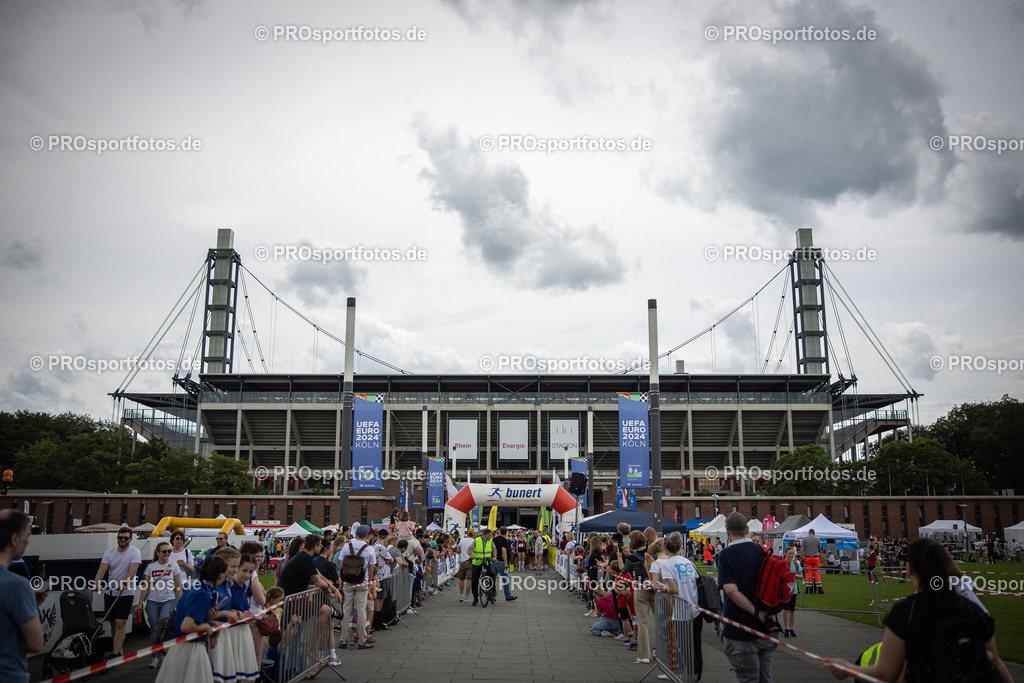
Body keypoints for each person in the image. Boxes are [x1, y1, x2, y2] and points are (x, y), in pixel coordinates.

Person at [824, 538, 1012, 683]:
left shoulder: (906, 612)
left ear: (910, 569)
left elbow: (886, 672)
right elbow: (995, 661)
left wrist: (847, 668)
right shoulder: (971, 609)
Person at [718, 513, 776, 683]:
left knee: (748, 679)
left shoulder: (726, 555)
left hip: (740, 627)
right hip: (767, 625)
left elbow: (731, 591)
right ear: (748, 530)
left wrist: (756, 612)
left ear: (727, 532)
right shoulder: (763, 551)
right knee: (766, 677)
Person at [156, 554, 227, 683]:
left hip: (178, 648)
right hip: (192, 650)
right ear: (221, 576)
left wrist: (206, 618)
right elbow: (186, 626)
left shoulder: (193, 588)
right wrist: (206, 627)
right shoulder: (203, 595)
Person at [652, 532, 702, 681]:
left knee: (686, 649)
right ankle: (696, 678)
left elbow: (674, 589)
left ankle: (690, 678)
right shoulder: (688, 562)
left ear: (665, 548)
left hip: (682, 611)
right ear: (680, 547)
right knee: (696, 647)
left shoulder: (667, 564)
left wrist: (663, 589)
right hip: (696, 608)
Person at [0, 510, 43, 683]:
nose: (27, 542)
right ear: (15, 539)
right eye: (28, 535)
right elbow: (35, 643)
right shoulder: (16, 585)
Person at [94, 525, 141, 657]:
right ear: (117, 538)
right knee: (113, 623)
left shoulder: (135, 552)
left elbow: (133, 570)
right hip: (111, 591)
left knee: (121, 623)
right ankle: (118, 649)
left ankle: (115, 653)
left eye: (126, 538)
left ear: (130, 539)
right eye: (121, 537)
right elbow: (102, 569)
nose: (123, 540)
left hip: (125, 592)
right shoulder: (110, 552)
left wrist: (125, 582)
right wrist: (97, 583)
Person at [137, 541, 183, 668]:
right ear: (157, 553)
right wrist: (140, 603)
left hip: (168, 599)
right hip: (152, 601)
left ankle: (166, 654)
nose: (167, 553)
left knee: (163, 625)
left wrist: (182, 601)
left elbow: (178, 586)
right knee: (154, 630)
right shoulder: (151, 567)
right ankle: (155, 657)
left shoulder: (174, 566)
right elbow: (145, 586)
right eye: (164, 551)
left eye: (169, 551)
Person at [337, 525, 377, 649]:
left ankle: (343, 639)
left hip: (348, 582)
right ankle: (362, 639)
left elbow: (341, 564)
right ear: (367, 535)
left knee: (346, 609)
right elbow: (371, 568)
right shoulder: (369, 549)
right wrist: (369, 581)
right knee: (361, 610)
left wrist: (341, 579)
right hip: (362, 581)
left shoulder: (347, 546)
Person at [623, 530, 652, 662]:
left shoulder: (632, 558)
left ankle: (644, 655)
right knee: (661, 621)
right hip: (654, 587)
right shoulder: (651, 554)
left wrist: (624, 556)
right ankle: (663, 652)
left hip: (641, 589)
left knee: (642, 622)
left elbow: (624, 571)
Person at [492, 527, 518, 601]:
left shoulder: (495, 539)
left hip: (494, 561)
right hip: (502, 562)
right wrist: (506, 563)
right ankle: (508, 595)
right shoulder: (505, 541)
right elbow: (504, 552)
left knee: (492, 578)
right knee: (506, 578)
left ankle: (492, 593)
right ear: (506, 532)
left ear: (500, 532)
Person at [470, 528, 495, 605]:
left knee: (492, 574)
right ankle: (475, 597)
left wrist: (494, 556)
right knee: (474, 581)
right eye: (490, 535)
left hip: (486, 561)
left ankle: (493, 591)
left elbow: (494, 549)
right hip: (477, 562)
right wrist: (471, 555)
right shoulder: (476, 540)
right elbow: (469, 548)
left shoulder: (490, 541)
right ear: (486, 535)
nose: (491, 537)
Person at [781, 546, 802, 638]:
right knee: (786, 609)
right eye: (789, 553)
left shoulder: (796, 564)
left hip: (794, 590)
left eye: (792, 554)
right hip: (785, 590)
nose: (791, 555)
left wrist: (794, 575)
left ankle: (791, 628)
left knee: (792, 610)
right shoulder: (782, 563)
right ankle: (786, 628)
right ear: (785, 554)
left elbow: (801, 576)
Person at [801, 529, 823, 593]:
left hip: (808, 558)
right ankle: (819, 588)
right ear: (814, 533)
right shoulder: (817, 539)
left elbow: (802, 549)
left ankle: (809, 588)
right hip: (816, 557)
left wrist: (802, 556)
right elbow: (819, 548)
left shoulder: (805, 539)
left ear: (809, 532)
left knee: (808, 573)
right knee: (816, 572)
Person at [457, 530, 475, 602]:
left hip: (462, 561)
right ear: (473, 534)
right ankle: (466, 596)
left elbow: (458, 550)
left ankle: (461, 595)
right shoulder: (474, 541)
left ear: (467, 533)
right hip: (470, 561)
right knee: (469, 580)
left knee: (461, 579)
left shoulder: (462, 540)